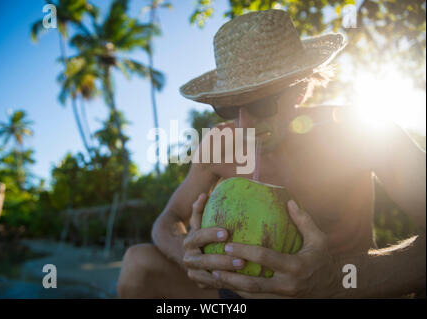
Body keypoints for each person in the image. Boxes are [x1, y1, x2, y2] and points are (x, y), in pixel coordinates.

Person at [117, 9, 426, 298]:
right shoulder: (220, 143)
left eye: (260, 103)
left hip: (344, 287)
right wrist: (186, 252)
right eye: (229, 107)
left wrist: (335, 279)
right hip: (239, 291)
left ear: (300, 89)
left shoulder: (361, 132)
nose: (245, 123)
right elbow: (168, 219)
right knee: (137, 266)